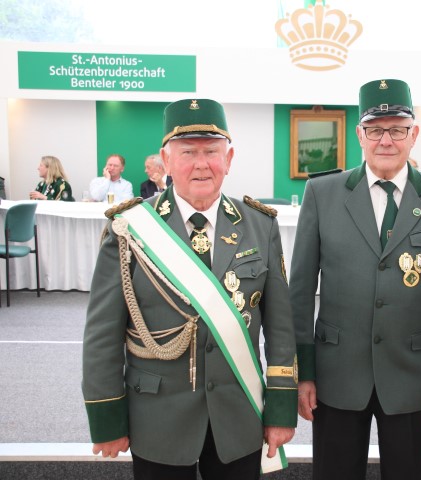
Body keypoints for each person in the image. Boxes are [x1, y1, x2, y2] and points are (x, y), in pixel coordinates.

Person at [82, 98, 297, 479]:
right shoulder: (130, 227)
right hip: (156, 417)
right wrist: (107, 417)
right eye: (187, 152)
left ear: (228, 159)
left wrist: (280, 409)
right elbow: (102, 333)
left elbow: (280, 328)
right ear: (166, 161)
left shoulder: (260, 226)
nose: (201, 164)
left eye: (211, 151)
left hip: (238, 414)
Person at [290, 79, 421, 480]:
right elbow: (299, 292)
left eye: (397, 129)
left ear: (414, 134)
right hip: (336, 375)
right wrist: (302, 372)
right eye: (375, 130)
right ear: (360, 135)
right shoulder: (322, 193)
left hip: (413, 376)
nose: (385, 140)